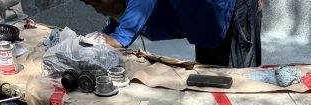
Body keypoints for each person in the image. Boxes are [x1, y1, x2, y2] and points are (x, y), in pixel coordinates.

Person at [80, 0, 262, 66]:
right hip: (205, 23)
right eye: (90, 4)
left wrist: (119, 38)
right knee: (211, 81)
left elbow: (120, 36)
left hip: (233, 9)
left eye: (97, 1)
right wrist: (97, 39)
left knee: (240, 86)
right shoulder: (123, 8)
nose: (97, 9)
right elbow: (114, 25)